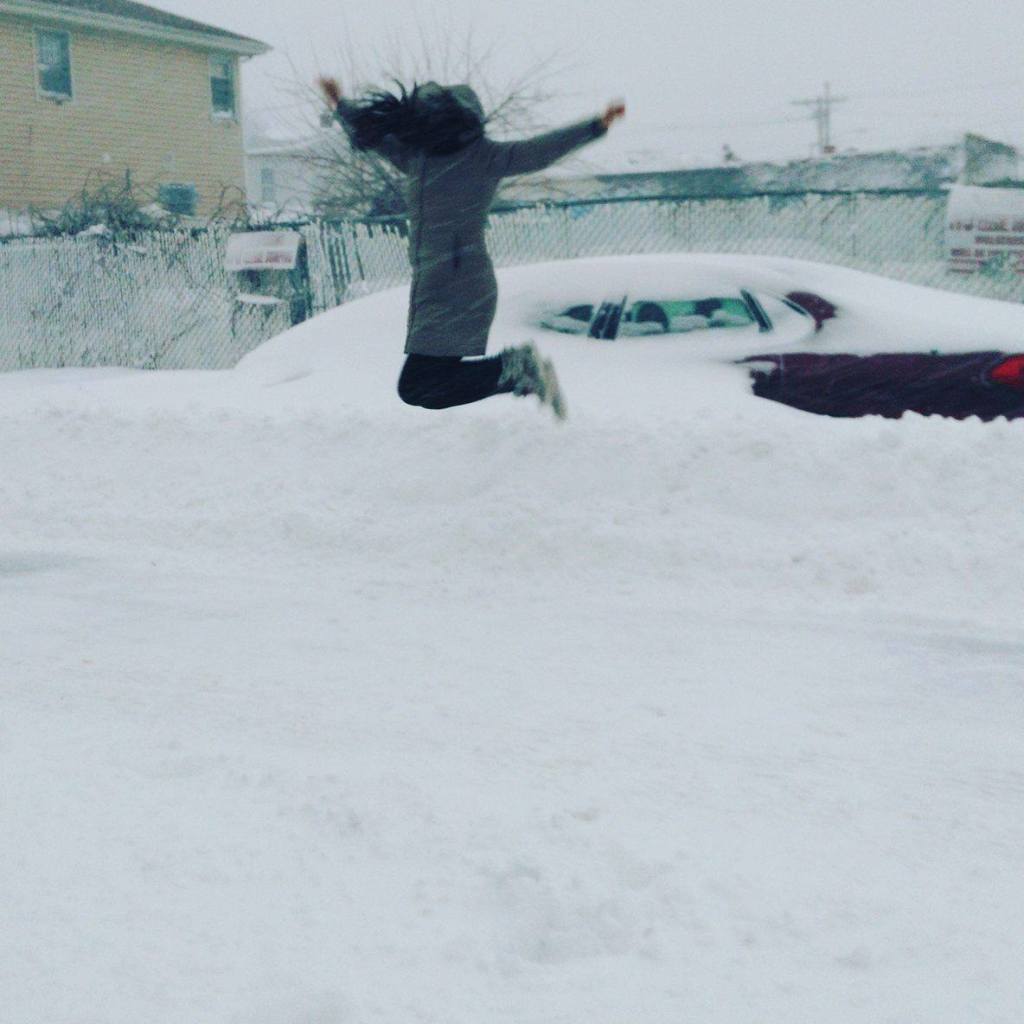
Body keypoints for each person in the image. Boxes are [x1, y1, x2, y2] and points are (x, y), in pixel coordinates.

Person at [317, 76, 625, 419]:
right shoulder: (418, 157)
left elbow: (540, 150)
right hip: (438, 282)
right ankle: (516, 371)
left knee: (418, 386)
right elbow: (374, 137)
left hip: (460, 284)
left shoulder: (483, 157)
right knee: (424, 386)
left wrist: (596, 125)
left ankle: (517, 369)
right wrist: (340, 104)